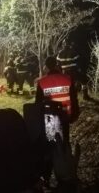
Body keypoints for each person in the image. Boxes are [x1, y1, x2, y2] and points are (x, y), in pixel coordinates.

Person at [36, 56, 79, 189]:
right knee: (65, 145)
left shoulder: (41, 82)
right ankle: (66, 176)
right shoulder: (67, 79)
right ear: (56, 65)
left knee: (49, 147)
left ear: (47, 67)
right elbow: (74, 99)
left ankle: (46, 178)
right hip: (65, 117)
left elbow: (38, 104)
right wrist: (73, 116)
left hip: (49, 119)